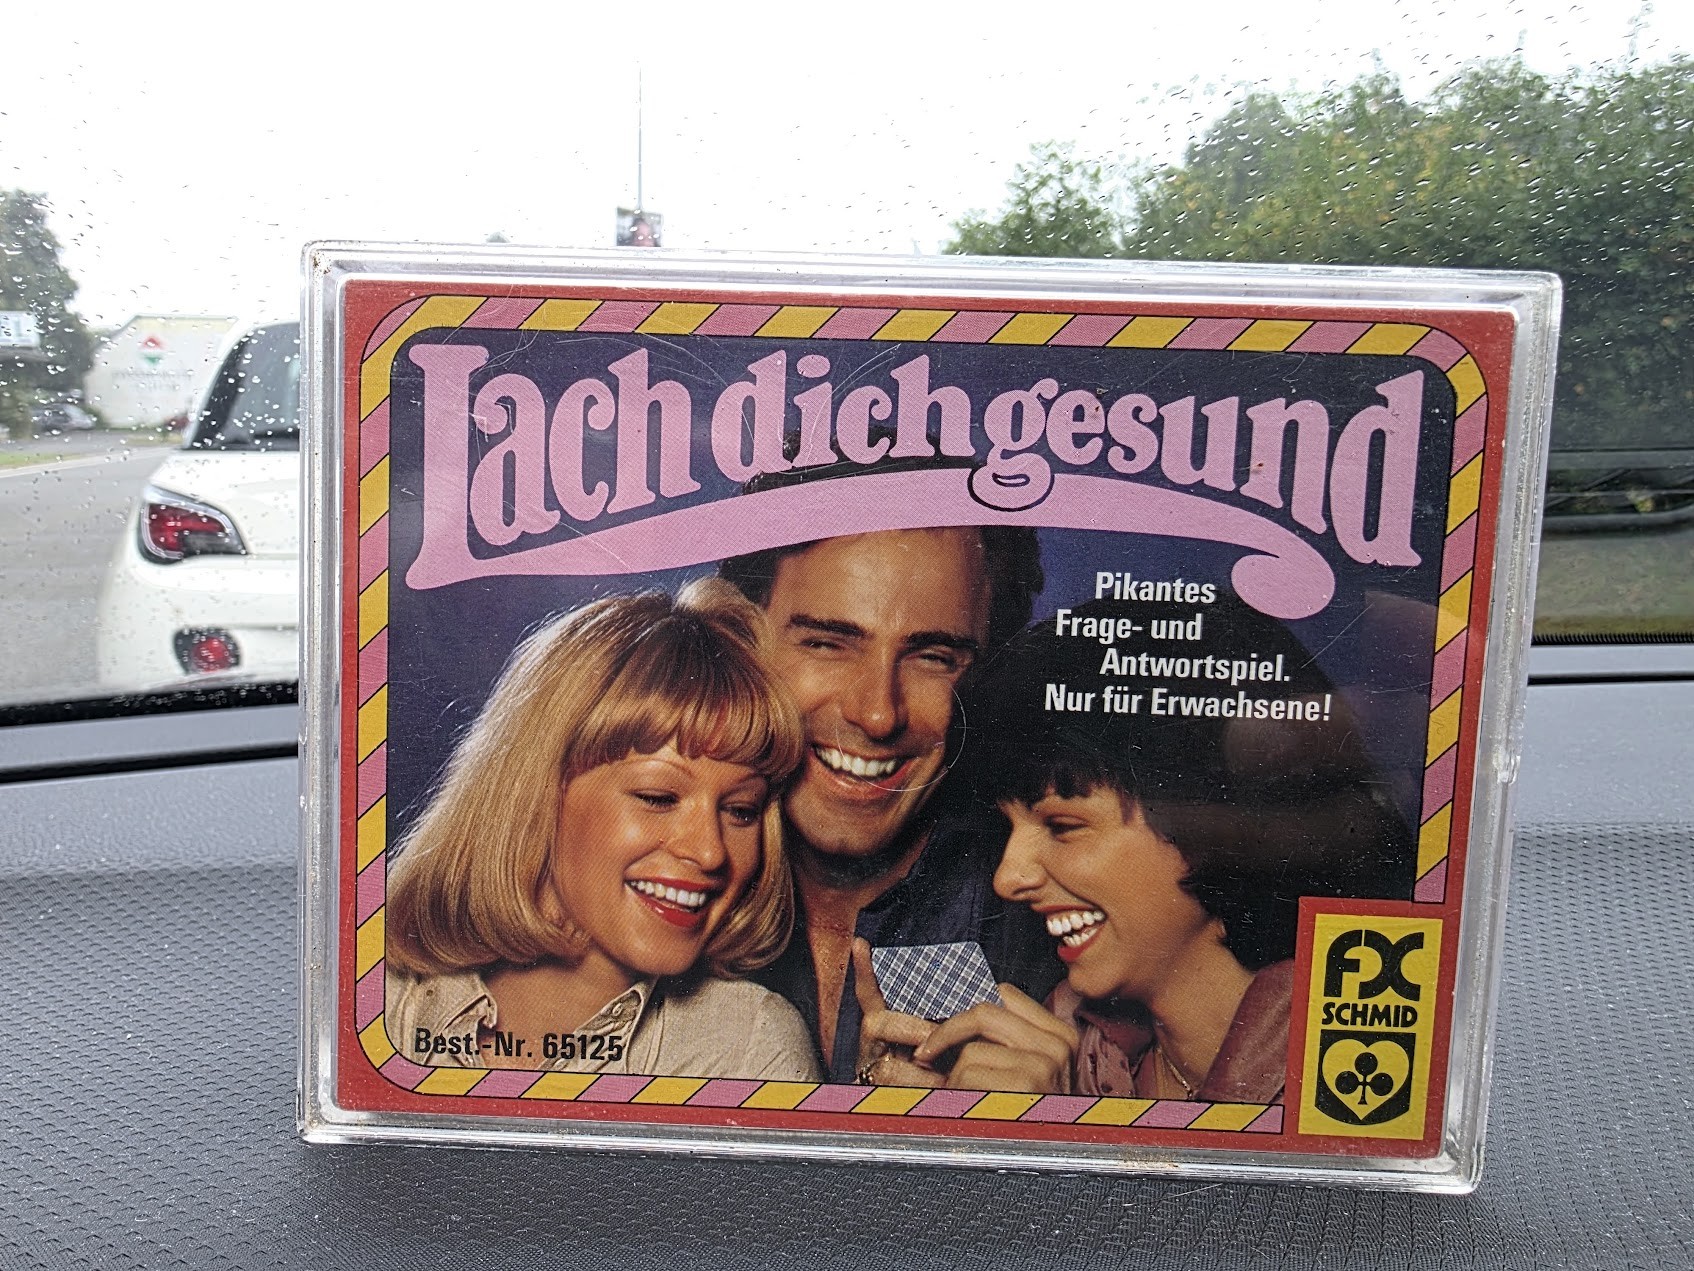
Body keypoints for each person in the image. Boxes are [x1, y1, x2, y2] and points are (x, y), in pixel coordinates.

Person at [870, 594, 1412, 1100]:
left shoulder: (1362, 1053)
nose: (1007, 879)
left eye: (1063, 826)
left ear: (1215, 822)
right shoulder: (1063, 1042)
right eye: (1007, 828)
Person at [384, 579, 820, 1082]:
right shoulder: (377, 1001)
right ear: (538, 796)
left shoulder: (746, 1050)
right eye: (658, 798)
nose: (709, 852)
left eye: (741, 810)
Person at [720, 521, 1063, 1084]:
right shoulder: (647, 889)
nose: (878, 715)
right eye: (826, 644)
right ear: (739, 645)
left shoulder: (1053, 925)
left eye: (934, 657)